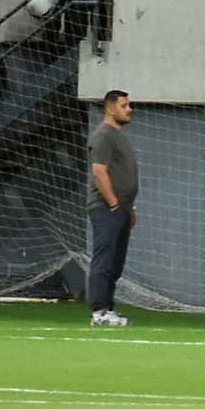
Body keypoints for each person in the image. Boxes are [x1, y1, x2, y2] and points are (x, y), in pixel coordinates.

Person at [87, 89, 139, 327]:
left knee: (116, 261)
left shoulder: (119, 136)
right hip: (107, 208)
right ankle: (99, 311)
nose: (129, 109)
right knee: (105, 258)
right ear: (110, 108)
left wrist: (128, 208)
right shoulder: (103, 135)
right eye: (124, 105)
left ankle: (107, 307)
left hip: (121, 208)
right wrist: (115, 204)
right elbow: (98, 171)